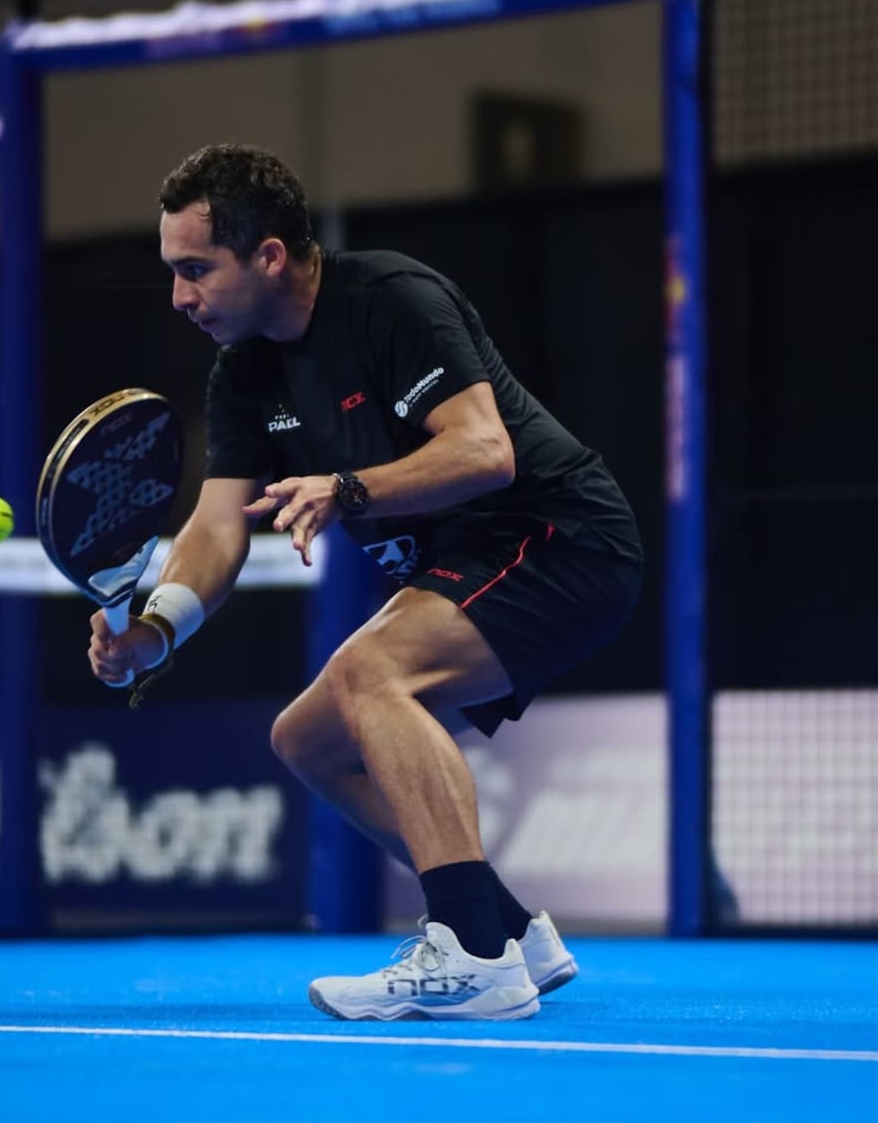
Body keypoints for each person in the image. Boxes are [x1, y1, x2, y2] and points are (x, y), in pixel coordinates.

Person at [88, 142, 643, 1022]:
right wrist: (153, 631)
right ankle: (508, 931)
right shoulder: (244, 373)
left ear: (269, 255)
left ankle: (472, 955)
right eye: (172, 273)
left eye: (197, 269)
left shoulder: (390, 300)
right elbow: (216, 527)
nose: (180, 297)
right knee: (307, 739)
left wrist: (349, 489)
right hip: (473, 565)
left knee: (370, 672)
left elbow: (484, 451)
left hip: (560, 539)